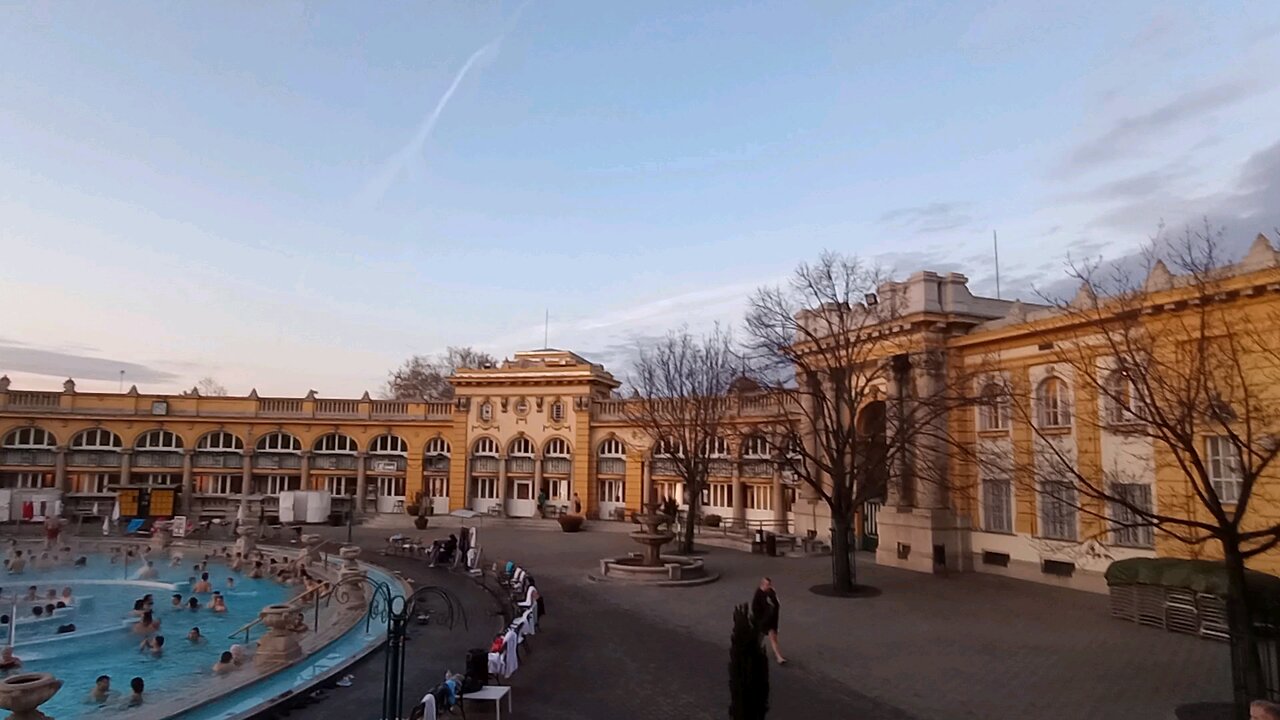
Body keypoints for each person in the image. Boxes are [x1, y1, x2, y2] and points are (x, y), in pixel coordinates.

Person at [751, 577, 786, 665]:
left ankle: (778, 656)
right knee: (760, 637)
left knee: (773, 638)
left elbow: (776, 604)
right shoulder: (759, 594)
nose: (769, 586)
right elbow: (755, 608)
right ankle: (754, 651)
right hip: (763, 620)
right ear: (762, 585)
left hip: (770, 620)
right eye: (767, 584)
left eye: (769, 584)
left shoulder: (771, 592)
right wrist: (760, 619)